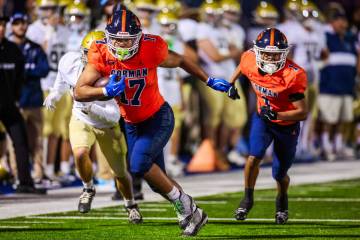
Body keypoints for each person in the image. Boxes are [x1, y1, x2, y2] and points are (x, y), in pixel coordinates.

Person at [74, 4, 232, 236]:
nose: (123, 44)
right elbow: (79, 91)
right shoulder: (100, 52)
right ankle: (194, 213)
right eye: (117, 39)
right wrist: (106, 91)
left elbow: (180, 60)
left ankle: (185, 205)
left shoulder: (150, 48)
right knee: (157, 182)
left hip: (158, 116)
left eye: (128, 40)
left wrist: (208, 80)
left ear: (138, 38)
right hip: (131, 122)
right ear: (109, 38)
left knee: (138, 165)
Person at [43, 30, 142, 223]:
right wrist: (55, 93)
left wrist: (92, 106)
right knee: (80, 154)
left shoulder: (116, 74)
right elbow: (63, 77)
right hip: (80, 118)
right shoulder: (70, 61)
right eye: (87, 53)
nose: (90, 58)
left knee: (120, 173)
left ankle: (130, 204)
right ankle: (88, 188)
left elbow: (113, 117)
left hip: (106, 124)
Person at [228, 28, 308, 224]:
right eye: (266, 54)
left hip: (286, 125)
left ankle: (282, 200)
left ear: (284, 54)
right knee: (254, 156)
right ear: (257, 52)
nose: (271, 59)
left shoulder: (293, 75)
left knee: (279, 173)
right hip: (262, 119)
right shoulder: (249, 59)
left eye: (275, 55)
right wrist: (231, 84)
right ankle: (247, 198)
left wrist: (277, 114)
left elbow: (303, 112)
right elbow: (241, 67)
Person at [0, 14, 46, 194]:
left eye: (3, 25)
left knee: (21, 141)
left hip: (10, 104)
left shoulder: (13, 50)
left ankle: (25, 182)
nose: (1, 28)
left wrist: (16, 98)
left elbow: (20, 77)